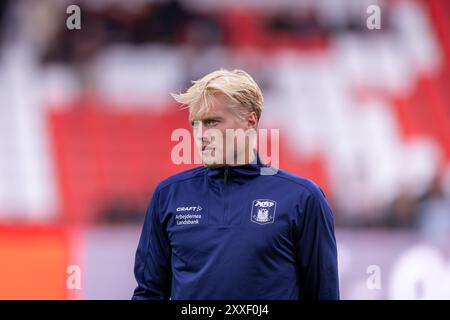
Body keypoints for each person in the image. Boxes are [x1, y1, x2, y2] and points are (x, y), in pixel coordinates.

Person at [132, 68, 339, 300]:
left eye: (211, 122)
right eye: (195, 124)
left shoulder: (303, 198)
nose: (200, 134)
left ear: (250, 121)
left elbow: (324, 294)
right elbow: (149, 293)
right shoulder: (169, 195)